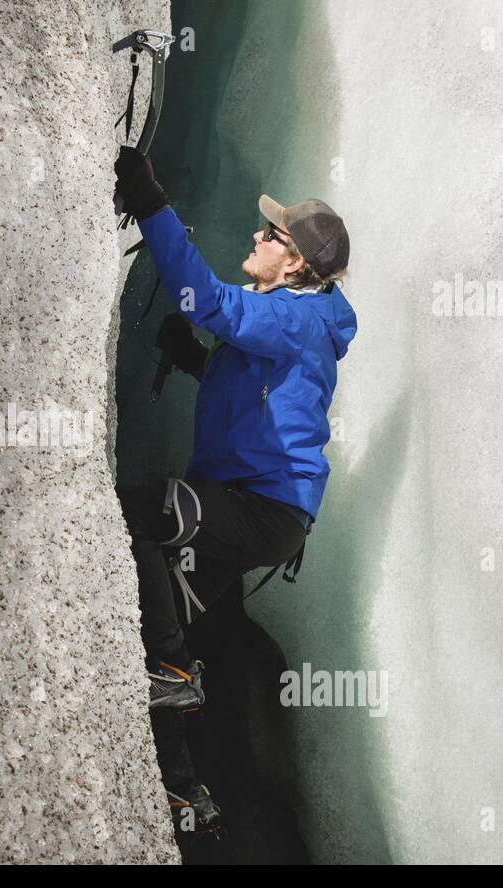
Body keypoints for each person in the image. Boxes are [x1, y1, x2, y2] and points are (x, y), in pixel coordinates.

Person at [112, 146, 358, 716]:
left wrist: (151, 204)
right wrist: (197, 359)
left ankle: (171, 671)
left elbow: (209, 303)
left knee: (140, 512)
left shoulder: (294, 318)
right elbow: (258, 401)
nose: (257, 237)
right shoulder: (300, 316)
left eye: (271, 235)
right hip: (262, 514)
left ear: (294, 264)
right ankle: (181, 780)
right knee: (153, 613)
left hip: (259, 510)